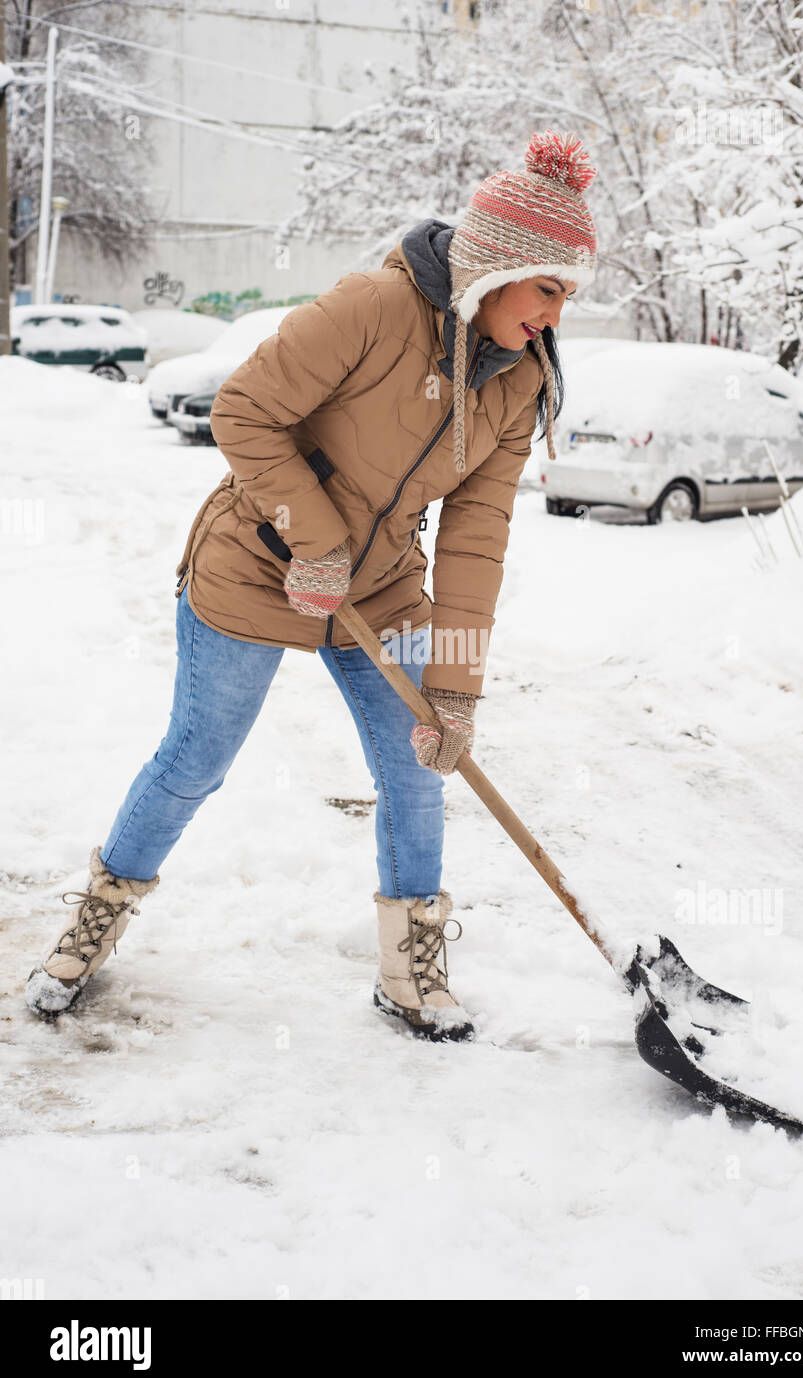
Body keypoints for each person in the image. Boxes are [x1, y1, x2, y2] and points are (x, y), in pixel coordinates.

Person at [25, 129, 598, 1041]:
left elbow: (475, 540)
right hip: (257, 561)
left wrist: (452, 688)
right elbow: (244, 410)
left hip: (381, 590)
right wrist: (315, 539)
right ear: (496, 267)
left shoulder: (517, 384)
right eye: (548, 288)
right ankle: (93, 921)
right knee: (194, 763)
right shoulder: (372, 306)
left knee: (417, 766)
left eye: (567, 295)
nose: (554, 316)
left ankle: (409, 969)